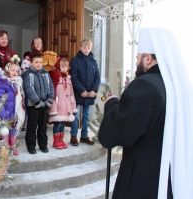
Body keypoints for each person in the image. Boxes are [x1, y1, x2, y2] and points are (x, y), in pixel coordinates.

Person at [99, 28, 193, 199]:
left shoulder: (146, 85)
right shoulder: (175, 87)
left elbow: (114, 134)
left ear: (148, 58)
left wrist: (111, 102)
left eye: (137, 58)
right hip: (168, 176)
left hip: (142, 181)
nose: (136, 63)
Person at [69, 39, 101, 146]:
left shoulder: (93, 62)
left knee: (86, 116)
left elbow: (97, 77)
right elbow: (74, 78)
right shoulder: (75, 61)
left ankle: (84, 136)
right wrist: (81, 90)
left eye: (88, 48)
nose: (86, 49)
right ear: (80, 48)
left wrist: (93, 90)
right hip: (79, 93)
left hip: (90, 95)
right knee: (76, 116)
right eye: (84, 47)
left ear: (90, 48)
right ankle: (73, 136)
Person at [22, 53, 55, 154]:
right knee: (32, 126)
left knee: (43, 126)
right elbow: (29, 89)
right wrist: (36, 101)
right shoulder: (27, 74)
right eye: (36, 62)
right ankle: (31, 146)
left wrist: (50, 100)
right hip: (33, 105)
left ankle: (43, 145)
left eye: (40, 62)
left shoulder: (46, 73)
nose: (39, 64)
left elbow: (51, 87)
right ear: (31, 63)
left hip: (45, 104)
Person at [0, 56, 25, 155]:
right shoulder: (4, 82)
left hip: (15, 111)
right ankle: (5, 147)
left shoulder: (18, 83)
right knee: (5, 130)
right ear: (7, 71)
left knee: (13, 130)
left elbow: (21, 97)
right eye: (12, 70)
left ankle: (12, 146)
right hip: (6, 111)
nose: (15, 72)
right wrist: (1, 113)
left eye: (16, 70)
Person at [48, 57, 77, 149]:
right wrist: (53, 107)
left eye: (66, 67)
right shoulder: (56, 77)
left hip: (66, 105)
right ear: (58, 66)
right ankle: (56, 141)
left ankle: (61, 140)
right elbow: (53, 93)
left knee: (63, 123)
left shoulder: (68, 79)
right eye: (62, 66)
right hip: (58, 105)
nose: (64, 68)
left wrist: (73, 106)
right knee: (57, 123)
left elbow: (71, 93)